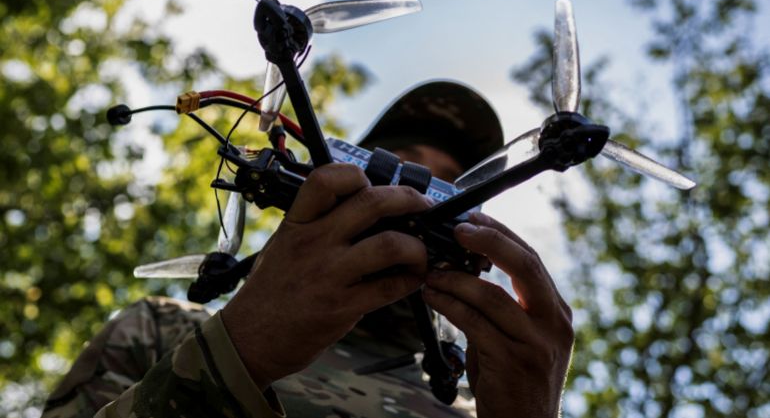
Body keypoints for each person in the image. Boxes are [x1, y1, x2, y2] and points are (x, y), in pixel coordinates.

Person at [42, 81, 575, 418]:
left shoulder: (482, 405)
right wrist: (240, 349)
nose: (418, 189)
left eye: (447, 184)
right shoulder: (161, 331)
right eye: (399, 163)